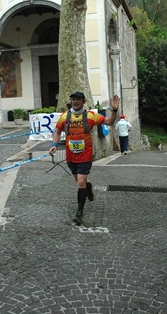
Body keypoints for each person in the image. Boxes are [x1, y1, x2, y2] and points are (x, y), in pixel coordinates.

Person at [49, 91, 120, 225]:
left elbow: (109, 122)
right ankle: (88, 187)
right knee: (79, 182)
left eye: (78, 99)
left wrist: (114, 109)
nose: (75, 102)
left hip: (86, 154)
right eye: (73, 99)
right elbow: (57, 131)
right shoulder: (64, 116)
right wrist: (54, 144)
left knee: (80, 182)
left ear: (84, 101)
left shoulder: (91, 115)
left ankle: (79, 213)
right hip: (70, 155)